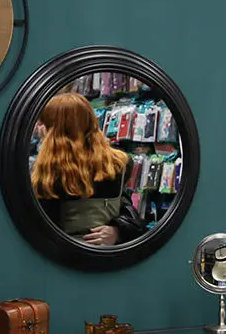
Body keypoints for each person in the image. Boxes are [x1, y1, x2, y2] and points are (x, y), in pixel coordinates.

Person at [31, 92, 144, 246]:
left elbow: (38, 229)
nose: (38, 127)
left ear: (55, 130)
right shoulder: (119, 164)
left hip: (64, 260)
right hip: (111, 256)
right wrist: (118, 231)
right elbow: (125, 206)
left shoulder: (49, 172)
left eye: (43, 123)